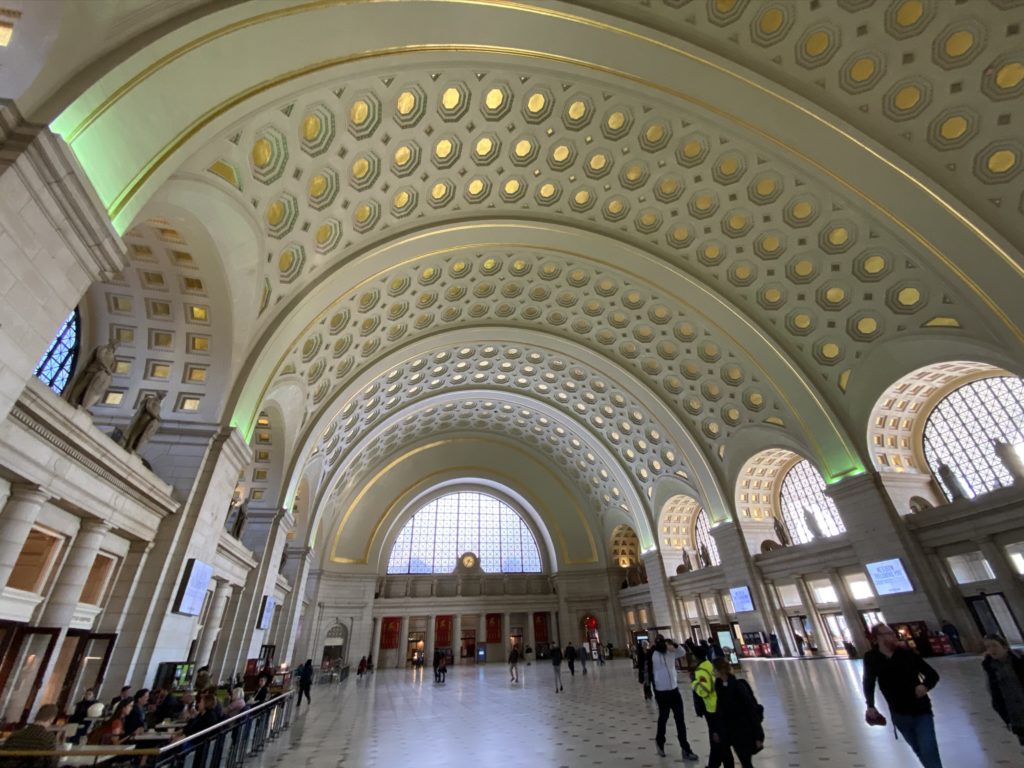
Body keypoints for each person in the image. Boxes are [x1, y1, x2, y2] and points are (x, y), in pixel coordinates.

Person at [863, 623, 943, 768]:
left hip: (921, 710)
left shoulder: (906, 654)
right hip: (899, 713)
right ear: (877, 638)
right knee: (919, 750)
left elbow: (932, 674)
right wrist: (870, 705)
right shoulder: (871, 658)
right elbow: (869, 682)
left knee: (929, 750)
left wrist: (924, 686)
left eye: (892, 633)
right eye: (887, 634)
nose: (892, 636)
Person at [646, 635, 700, 761]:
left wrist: (674, 644)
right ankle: (660, 742)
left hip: (674, 690)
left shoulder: (671, 653)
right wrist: (648, 687)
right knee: (663, 718)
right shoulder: (653, 654)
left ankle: (685, 748)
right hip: (661, 691)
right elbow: (647, 670)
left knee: (680, 720)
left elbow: (682, 651)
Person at [713, 658, 764, 768]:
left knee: (745, 761)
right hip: (727, 731)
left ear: (720, 670)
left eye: (714, 670)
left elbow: (751, 710)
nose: (713, 672)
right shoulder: (719, 686)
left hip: (742, 731)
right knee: (728, 758)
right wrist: (716, 730)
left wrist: (758, 735)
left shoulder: (738, 686)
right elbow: (719, 711)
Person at [982, 633, 1024, 746]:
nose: (991, 650)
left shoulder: (1019, 660)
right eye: (988, 647)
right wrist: (1006, 718)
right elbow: (994, 694)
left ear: (1004, 646)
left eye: (994, 645)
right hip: (1016, 715)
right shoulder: (989, 667)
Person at [693, 647, 730, 768]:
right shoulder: (709, 664)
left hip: (712, 708)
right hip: (720, 706)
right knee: (720, 740)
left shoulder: (700, 670)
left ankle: (713, 765)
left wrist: (694, 683)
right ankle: (716, 763)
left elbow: (705, 691)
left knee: (716, 740)